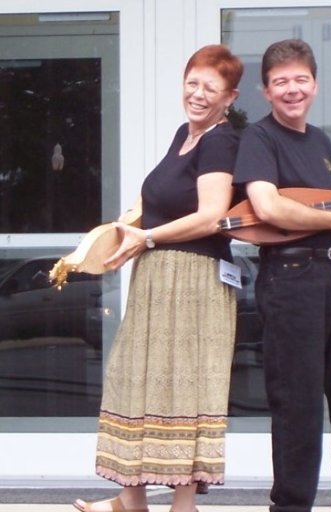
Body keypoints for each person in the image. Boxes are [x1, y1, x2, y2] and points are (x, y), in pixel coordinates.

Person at [73, 44, 244, 512]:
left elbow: (211, 216)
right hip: (157, 276)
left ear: (229, 97)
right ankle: (131, 499)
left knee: (182, 385)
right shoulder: (183, 135)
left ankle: (182, 504)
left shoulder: (220, 140)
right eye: (193, 82)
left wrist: (145, 238)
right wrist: (110, 239)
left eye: (211, 88)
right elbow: (152, 204)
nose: (198, 94)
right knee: (136, 378)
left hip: (193, 278)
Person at [233, 39, 331, 512]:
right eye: (281, 83)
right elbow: (268, 207)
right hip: (289, 279)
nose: (291, 90)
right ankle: (291, 505)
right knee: (298, 404)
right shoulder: (258, 138)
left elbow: (329, 211)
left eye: (300, 80)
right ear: (266, 90)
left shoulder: (320, 140)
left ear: (315, 85)